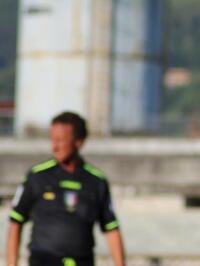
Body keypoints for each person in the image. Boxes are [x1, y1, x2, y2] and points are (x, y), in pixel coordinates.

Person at [6, 112, 125, 266]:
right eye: (52, 139)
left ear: (79, 142)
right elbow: (15, 222)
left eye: (60, 141)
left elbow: (111, 229)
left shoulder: (97, 181)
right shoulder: (37, 176)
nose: (54, 146)